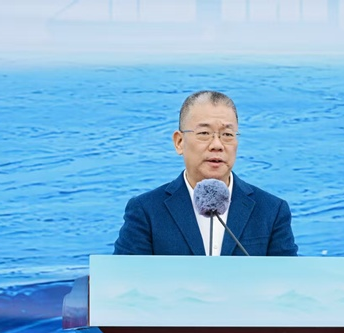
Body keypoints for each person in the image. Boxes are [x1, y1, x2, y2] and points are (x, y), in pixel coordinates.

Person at [113, 90, 298, 256]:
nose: (217, 145)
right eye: (204, 133)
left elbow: (290, 279)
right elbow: (123, 279)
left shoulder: (271, 211)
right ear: (179, 142)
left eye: (227, 135)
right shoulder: (147, 211)